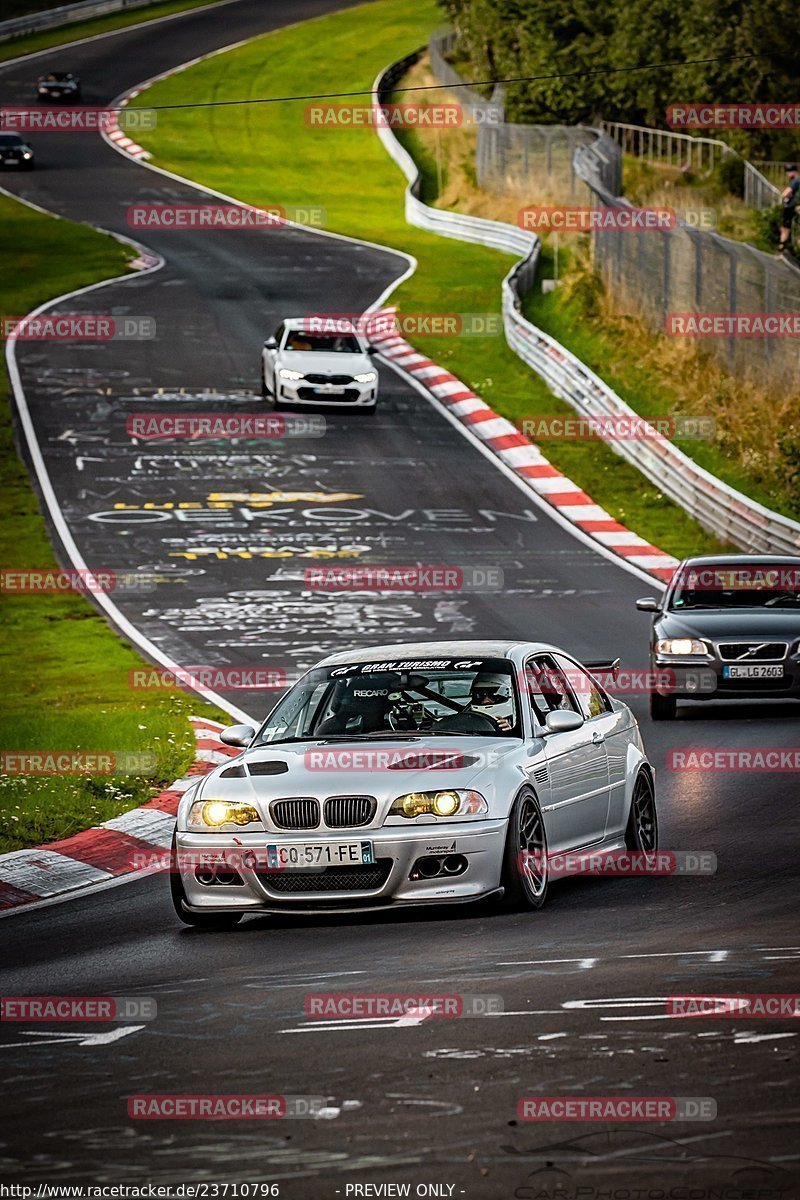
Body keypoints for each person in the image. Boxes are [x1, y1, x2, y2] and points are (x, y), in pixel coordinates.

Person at [779, 164, 798, 257]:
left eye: (789, 172)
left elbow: (785, 193)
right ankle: (784, 247)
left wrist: (785, 195)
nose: (787, 174)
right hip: (792, 206)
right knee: (785, 228)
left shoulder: (795, 181)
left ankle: (782, 248)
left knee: (785, 228)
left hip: (791, 207)